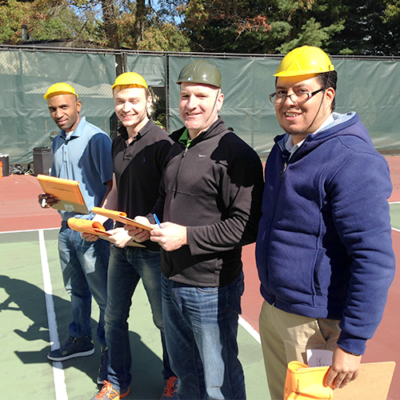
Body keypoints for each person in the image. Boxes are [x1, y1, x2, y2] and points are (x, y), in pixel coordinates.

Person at [255, 46, 396, 400]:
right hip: (274, 310)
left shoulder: (352, 160)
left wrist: (352, 341)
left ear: (327, 95)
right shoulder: (283, 149)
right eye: (282, 92)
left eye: (302, 91)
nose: (289, 101)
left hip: (317, 324)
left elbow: (374, 258)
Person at [127, 60, 264, 400]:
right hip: (169, 280)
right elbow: (164, 199)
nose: (192, 104)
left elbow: (247, 227)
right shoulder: (176, 145)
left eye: (201, 95)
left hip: (210, 289)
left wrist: (187, 237)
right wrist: (149, 221)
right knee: (185, 372)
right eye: (185, 96)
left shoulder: (238, 155)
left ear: (219, 101)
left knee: (219, 379)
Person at [84, 72, 177, 400]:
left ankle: (174, 377)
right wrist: (100, 218)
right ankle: (116, 382)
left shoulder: (163, 143)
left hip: (151, 250)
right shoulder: (117, 141)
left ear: (148, 102)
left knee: (163, 321)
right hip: (120, 247)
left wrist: (137, 232)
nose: (126, 107)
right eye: (120, 101)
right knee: (112, 317)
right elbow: (118, 191)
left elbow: (172, 201)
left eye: (133, 100)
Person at [38, 83, 113, 383]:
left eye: (64, 107)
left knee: (105, 298)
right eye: (53, 109)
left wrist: (97, 225)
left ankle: (110, 354)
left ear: (78, 106)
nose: (59, 114)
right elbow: (59, 187)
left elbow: (111, 187)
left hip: (92, 232)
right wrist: (47, 199)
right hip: (66, 228)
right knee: (75, 290)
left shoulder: (97, 139)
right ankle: (81, 338)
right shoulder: (57, 141)